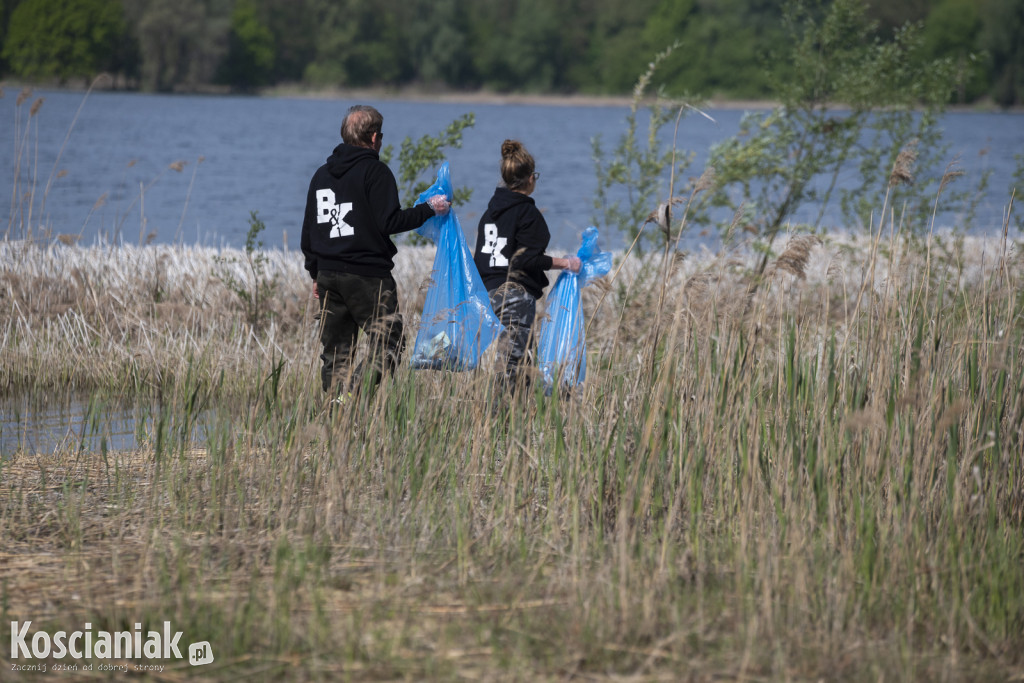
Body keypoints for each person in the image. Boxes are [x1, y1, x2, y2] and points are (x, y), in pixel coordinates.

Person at [301, 104, 450, 400]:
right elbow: (390, 222)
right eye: (380, 137)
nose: (380, 142)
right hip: (367, 276)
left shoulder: (320, 175)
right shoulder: (376, 171)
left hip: (329, 275)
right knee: (390, 343)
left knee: (336, 354)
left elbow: (309, 232)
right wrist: (429, 210)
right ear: (373, 138)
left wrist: (315, 273)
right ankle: (354, 397)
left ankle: (335, 414)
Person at [473, 139, 580, 393]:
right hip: (514, 297)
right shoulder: (528, 214)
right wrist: (566, 262)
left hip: (486, 294)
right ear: (531, 178)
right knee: (513, 366)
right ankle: (500, 421)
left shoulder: (490, 213)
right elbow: (527, 260)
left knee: (521, 363)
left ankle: (523, 412)